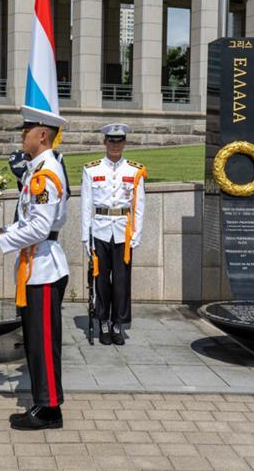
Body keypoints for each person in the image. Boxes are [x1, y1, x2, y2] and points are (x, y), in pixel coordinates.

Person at [0, 109, 69, 431]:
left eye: (26, 130)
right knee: (34, 341)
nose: (22, 135)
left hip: (43, 267)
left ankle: (49, 409)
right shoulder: (37, 170)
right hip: (34, 264)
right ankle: (44, 401)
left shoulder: (46, 173)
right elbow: (25, 224)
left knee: (42, 342)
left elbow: (39, 229)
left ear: (42, 134)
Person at [80, 122, 146, 345]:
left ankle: (118, 322)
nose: (115, 145)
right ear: (105, 142)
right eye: (111, 141)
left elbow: (139, 206)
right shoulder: (92, 169)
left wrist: (136, 234)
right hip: (99, 229)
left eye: (119, 141)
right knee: (100, 281)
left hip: (123, 232)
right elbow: (86, 206)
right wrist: (84, 236)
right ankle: (103, 322)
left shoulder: (135, 171)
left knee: (121, 280)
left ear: (125, 143)